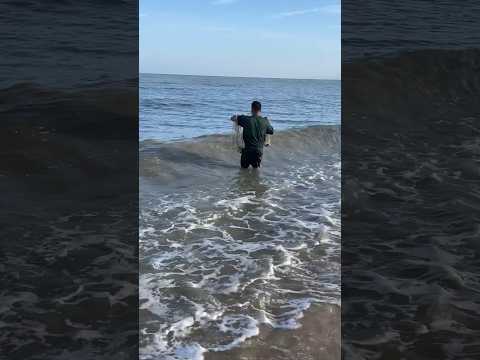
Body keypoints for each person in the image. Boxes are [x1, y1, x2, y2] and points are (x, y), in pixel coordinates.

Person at [231, 101, 274, 169]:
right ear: (260, 110)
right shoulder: (265, 121)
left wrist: (236, 117)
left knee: (243, 171)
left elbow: (233, 118)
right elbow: (271, 131)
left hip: (247, 151)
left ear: (251, 109)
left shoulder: (245, 119)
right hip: (258, 152)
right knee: (256, 171)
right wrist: (267, 122)